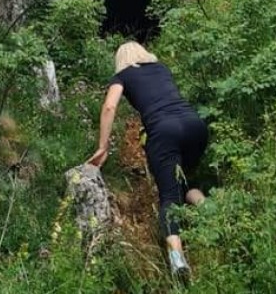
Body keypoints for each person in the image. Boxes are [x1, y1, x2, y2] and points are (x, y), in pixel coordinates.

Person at [87, 42, 209, 278]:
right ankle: (217, 219)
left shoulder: (122, 75)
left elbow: (110, 107)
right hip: (195, 126)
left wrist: (103, 146)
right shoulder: (161, 68)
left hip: (164, 133)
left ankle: (177, 260)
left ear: (121, 59)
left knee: (169, 197)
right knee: (186, 181)